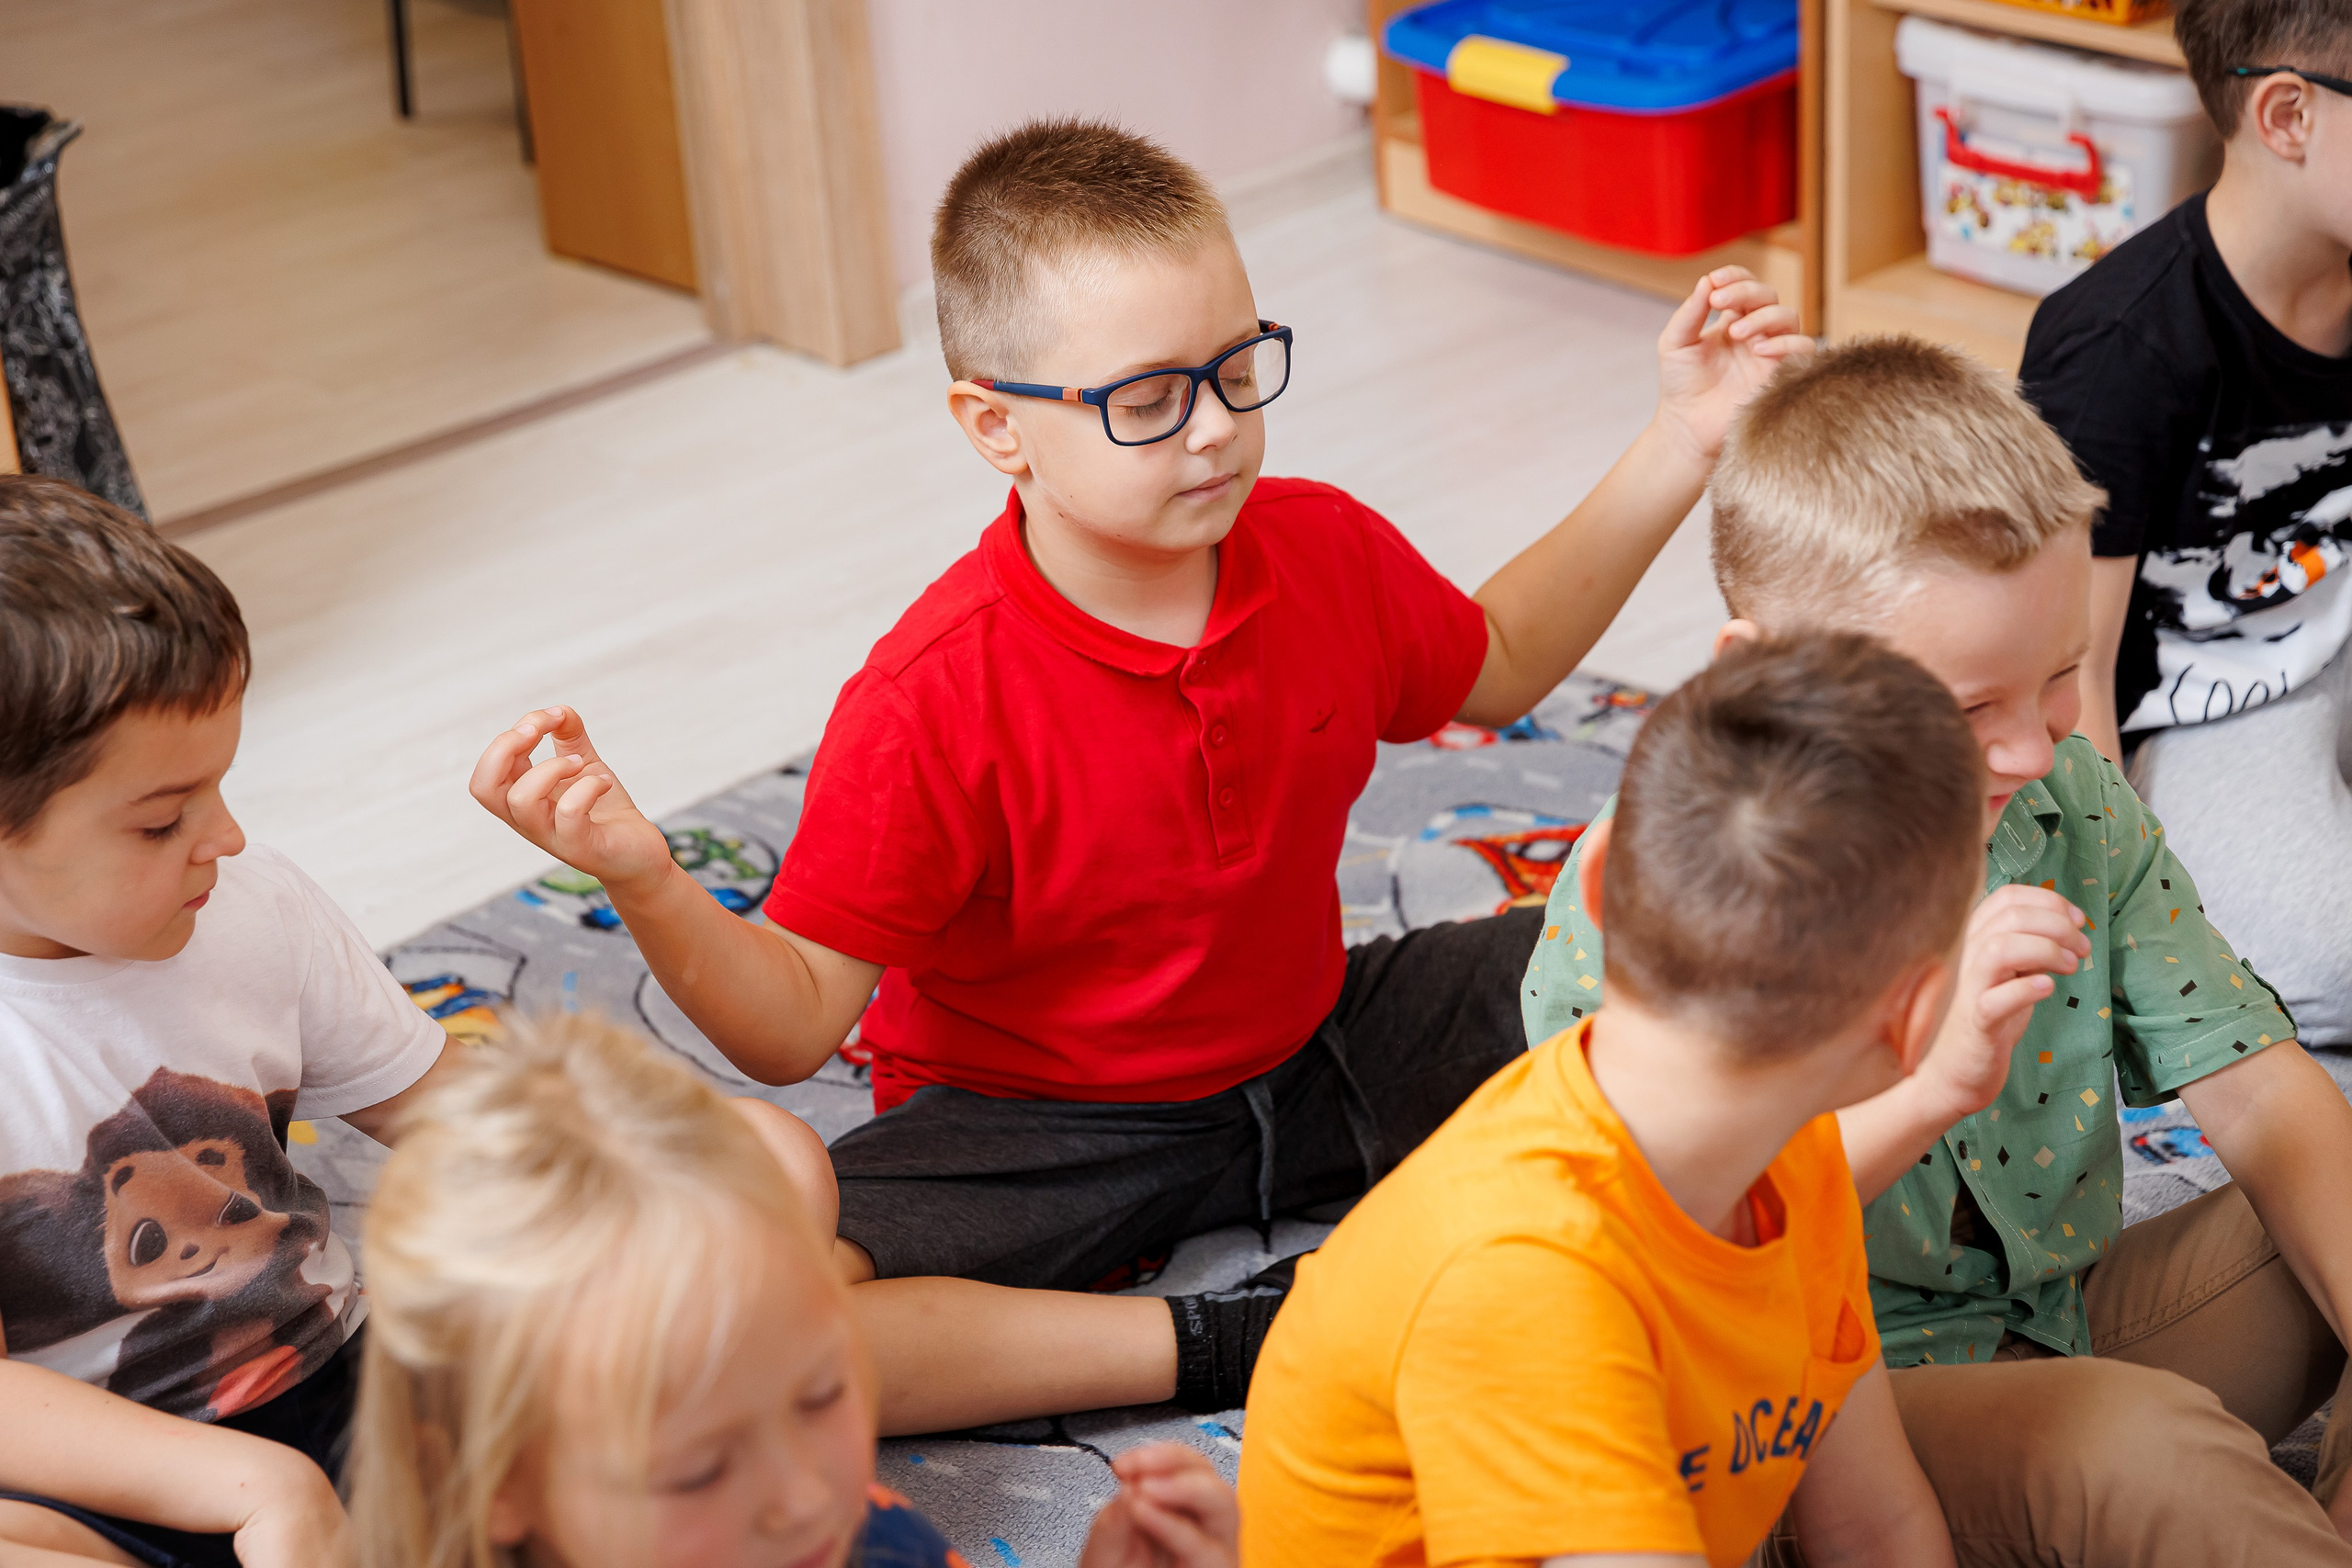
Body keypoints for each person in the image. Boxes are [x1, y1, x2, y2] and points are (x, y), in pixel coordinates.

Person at [467, 118, 1809, 1432]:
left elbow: (1501, 659)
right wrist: (642, 873)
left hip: (1315, 1038)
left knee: (1703, 953)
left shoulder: (1320, 545)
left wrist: (1685, 436)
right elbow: (793, 1024)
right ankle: (1234, 1333)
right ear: (997, 427)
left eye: (1238, 367)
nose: (1216, 428)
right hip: (1042, 1123)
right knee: (756, 1321)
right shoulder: (931, 696)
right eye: (1149, 398)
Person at [1525, 335, 2352, 1563]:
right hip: (1813, 1419)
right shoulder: (1659, 893)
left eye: (2061, 672)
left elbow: (2256, 1082)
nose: (2031, 745)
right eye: (1968, 707)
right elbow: (1680, 1246)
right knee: (2140, 1446)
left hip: (2057, 1327)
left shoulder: (2067, 793)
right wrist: (1927, 1072)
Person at [1239, 632, 1968, 1568]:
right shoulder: (1527, 1272)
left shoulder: (1797, 1157)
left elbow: (1875, 1526)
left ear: (1593, 885)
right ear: (1913, 1018)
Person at [0, 476, 463, 1567]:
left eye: (219, 786)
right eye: (163, 822)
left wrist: (628, 1169)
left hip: (327, 1377)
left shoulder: (247, 905)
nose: (229, 837)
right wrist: (255, 1486)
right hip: (74, 1468)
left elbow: (447, 1113)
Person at [345, 1010, 1238, 1568]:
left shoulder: (867, 1542)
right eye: (698, 1470)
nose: (807, 1492)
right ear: (490, 1482)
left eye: (821, 1393)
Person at [2020, 0, 2352, 1047]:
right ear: (2287, 116)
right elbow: (2066, 680)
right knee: (2327, 962)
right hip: (2198, 710)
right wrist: (2119, 901)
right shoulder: (2118, 349)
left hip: (2330, 637)